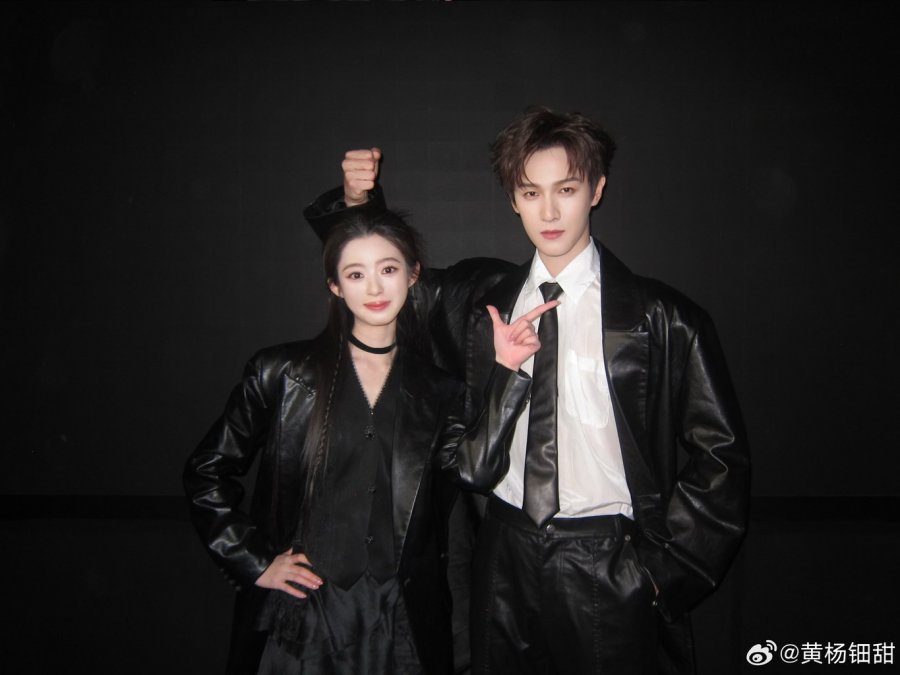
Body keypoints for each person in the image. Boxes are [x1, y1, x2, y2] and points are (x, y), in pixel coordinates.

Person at [305, 106, 751, 674]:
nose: (549, 211)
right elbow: (388, 282)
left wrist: (664, 575)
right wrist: (358, 204)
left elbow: (721, 456)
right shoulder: (477, 300)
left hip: (609, 560)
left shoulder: (664, 318)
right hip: (503, 551)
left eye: (566, 189)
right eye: (530, 192)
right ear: (513, 199)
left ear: (597, 190)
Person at [183, 208, 557, 674]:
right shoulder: (281, 373)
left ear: (413, 275)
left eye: (388, 269)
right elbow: (206, 473)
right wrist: (253, 560)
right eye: (356, 274)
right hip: (303, 618)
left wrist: (506, 372)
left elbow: (475, 472)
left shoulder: (438, 390)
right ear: (335, 286)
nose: (375, 288)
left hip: (398, 621)